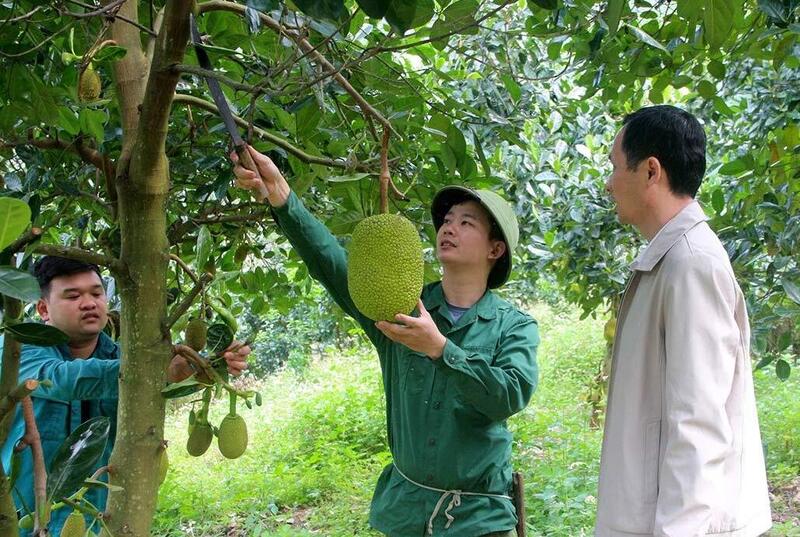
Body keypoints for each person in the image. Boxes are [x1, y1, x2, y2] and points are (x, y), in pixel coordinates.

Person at [232, 146, 539, 537]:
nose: (449, 228)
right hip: (406, 514)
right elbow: (331, 263)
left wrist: (441, 349)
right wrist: (282, 196)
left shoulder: (514, 326)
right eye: (447, 220)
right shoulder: (398, 311)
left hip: (479, 520)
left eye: (466, 223)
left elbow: (509, 396)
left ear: (495, 249)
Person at [596, 105, 772, 537]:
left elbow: (699, 423)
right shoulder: (672, 259)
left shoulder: (691, 264)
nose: (608, 184)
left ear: (651, 171)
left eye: (615, 167)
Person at [0, 256, 250, 535]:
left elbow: (169, 380)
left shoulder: (125, 358)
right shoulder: (17, 351)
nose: (89, 303)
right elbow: (59, 379)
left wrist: (210, 363)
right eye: (73, 296)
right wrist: (155, 369)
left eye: (96, 293)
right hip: (21, 521)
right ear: (43, 308)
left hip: (100, 521)